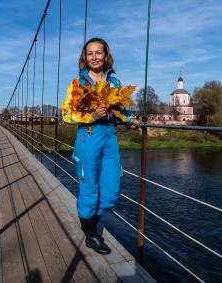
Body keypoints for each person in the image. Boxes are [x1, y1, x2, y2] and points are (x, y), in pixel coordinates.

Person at [62, 37, 138, 254]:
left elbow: (121, 110)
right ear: (84, 57)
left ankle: (90, 224)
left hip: (110, 139)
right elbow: (66, 114)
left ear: (106, 55)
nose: (94, 57)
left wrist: (129, 119)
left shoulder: (115, 83)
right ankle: (91, 236)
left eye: (98, 52)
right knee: (89, 190)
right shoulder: (77, 85)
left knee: (112, 192)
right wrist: (90, 116)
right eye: (90, 53)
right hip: (88, 138)